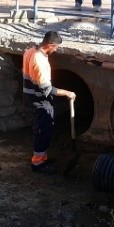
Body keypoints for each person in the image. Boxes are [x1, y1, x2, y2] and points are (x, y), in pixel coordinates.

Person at [23, 31, 76, 174]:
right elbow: (47, 89)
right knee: (44, 130)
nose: (56, 49)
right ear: (50, 44)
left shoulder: (30, 51)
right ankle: (38, 163)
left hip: (32, 94)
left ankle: (43, 157)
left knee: (44, 127)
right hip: (40, 99)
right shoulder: (39, 62)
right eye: (56, 47)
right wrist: (67, 93)